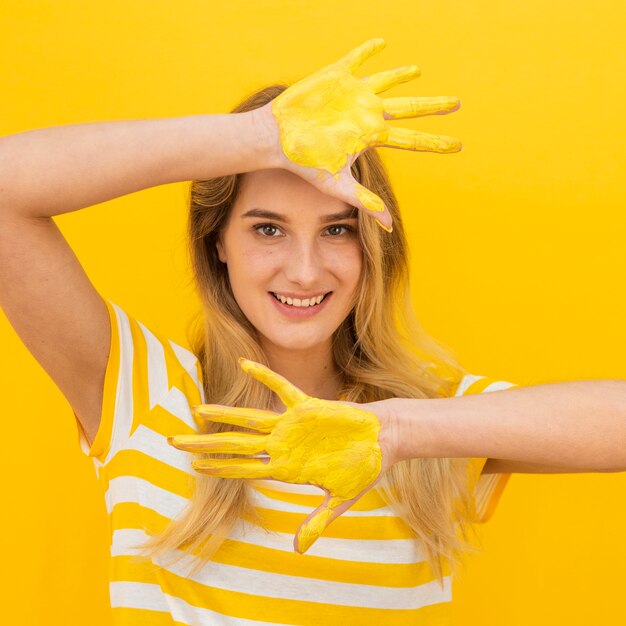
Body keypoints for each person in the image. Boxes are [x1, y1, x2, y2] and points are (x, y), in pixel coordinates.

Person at [0, 38, 624, 625]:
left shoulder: (428, 424)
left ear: (373, 245)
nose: (304, 270)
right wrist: (256, 137)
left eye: (337, 229)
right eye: (267, 228)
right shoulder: (143, 393)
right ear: (217, 242)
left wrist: (400, 429)